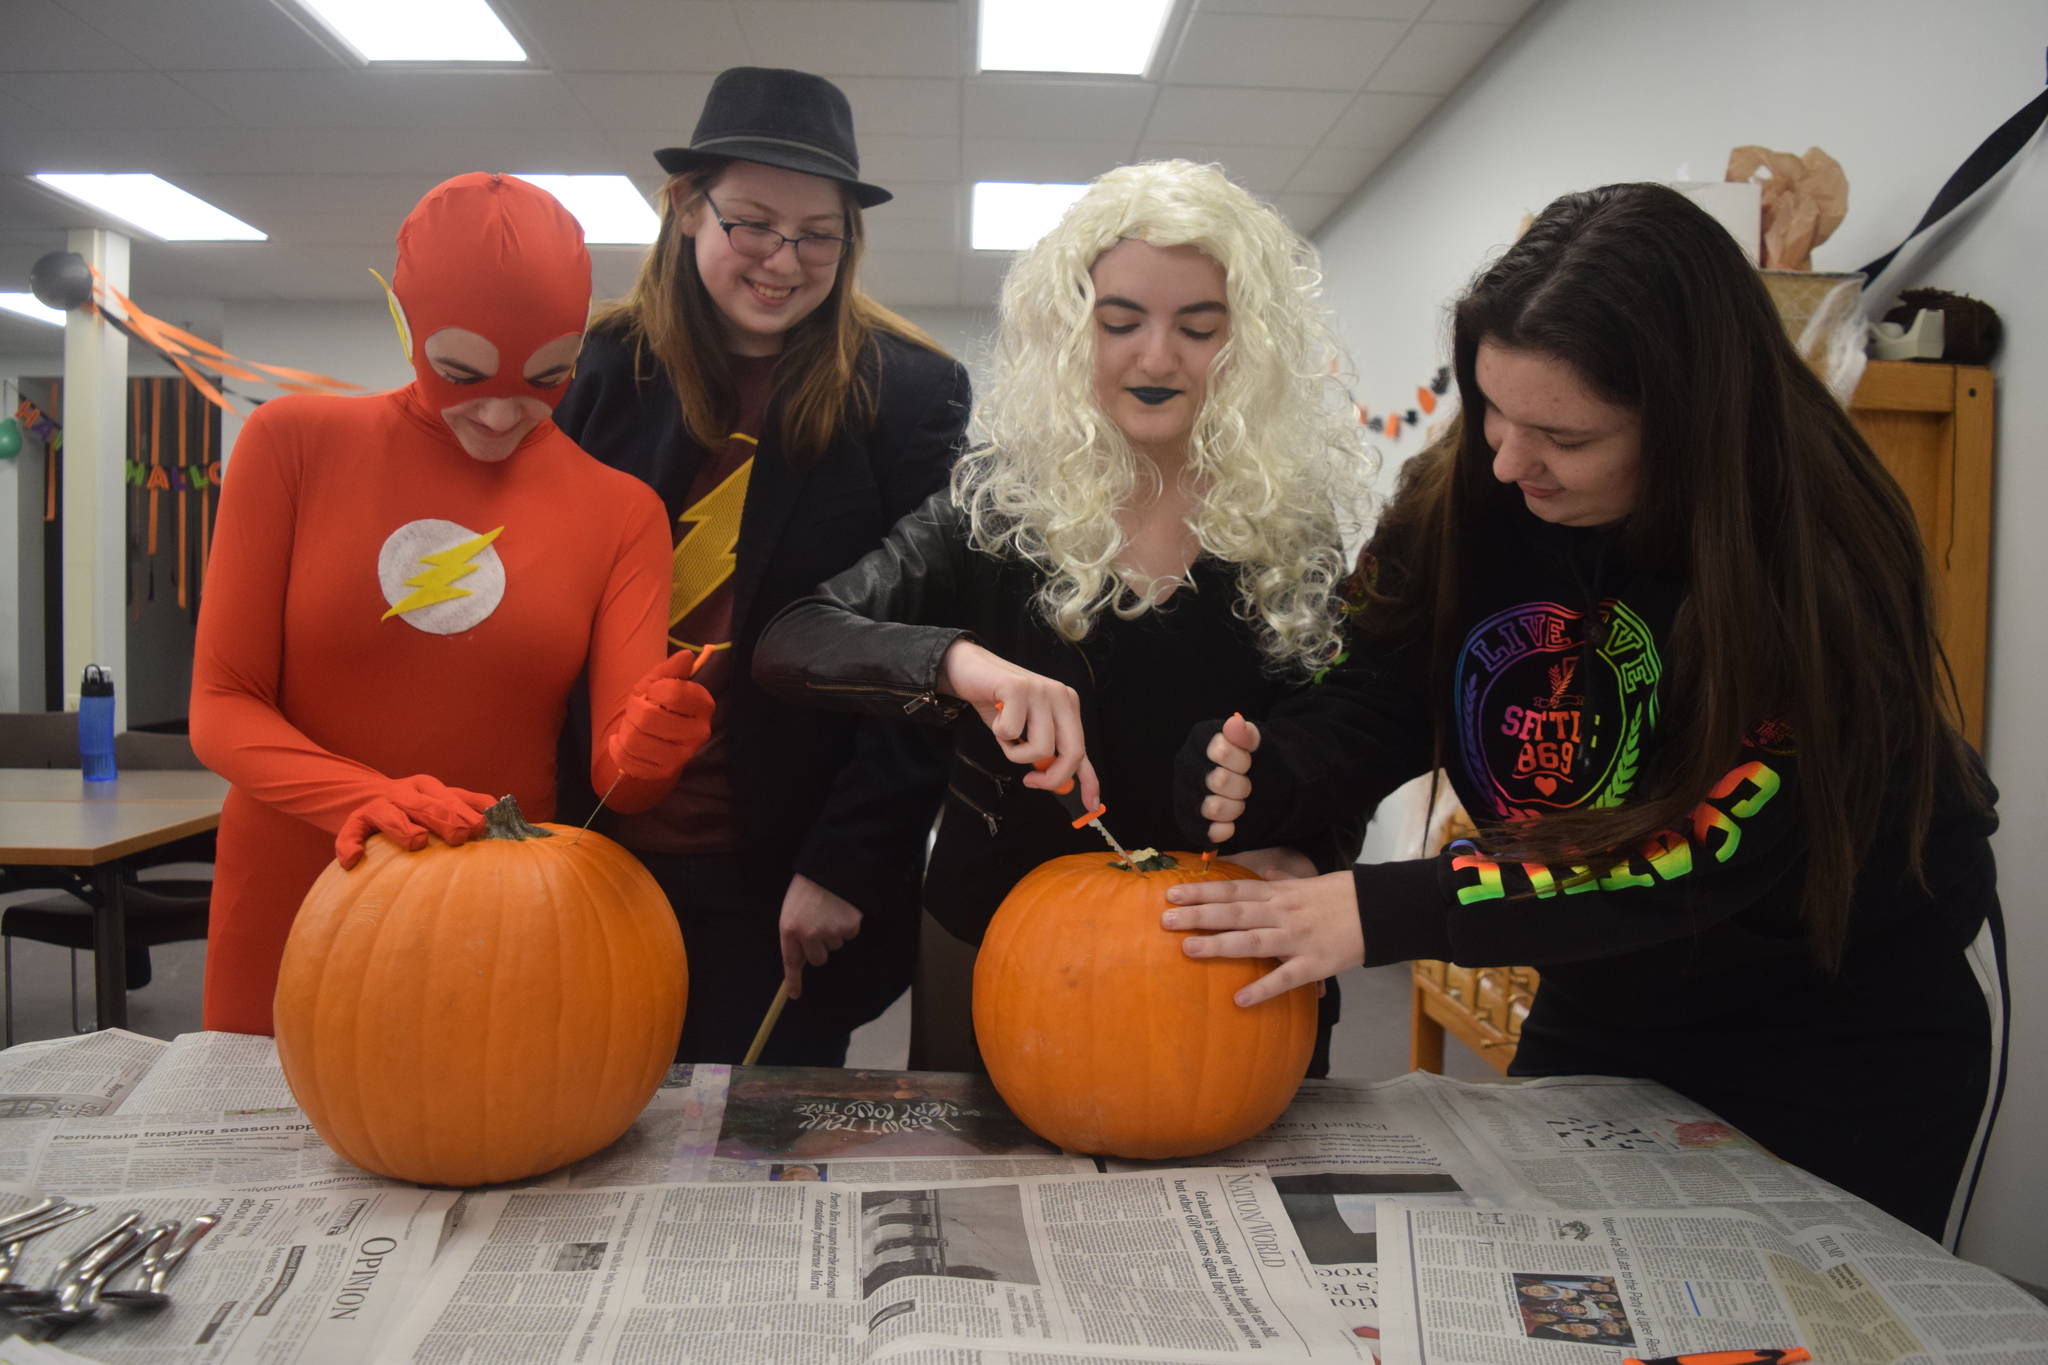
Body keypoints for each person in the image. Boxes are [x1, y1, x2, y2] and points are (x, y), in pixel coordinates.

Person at [1164, 182, 2003, 1244]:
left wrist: (1379, 909)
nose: (1511, 462)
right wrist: (1272, 774)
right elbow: (1380, 687)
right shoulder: (1473, 487)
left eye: (1561, 434)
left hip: (1829, 1035)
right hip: (1605, 992)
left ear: (1688, 420)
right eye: (1491, 412)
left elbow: (1697, 848)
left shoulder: (1816, 558)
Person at [752, 159, 1375, 1071]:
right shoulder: (999, 506)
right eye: (1120, 322)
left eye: (1198, 328)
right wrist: (964, 665)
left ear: (1248, 343)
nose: (1155, 357)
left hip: (1224, 951)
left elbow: (1349, 728)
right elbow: (793, 637)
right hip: (1003, 936)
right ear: (1070, 326)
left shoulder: (1291, 525)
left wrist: (1312, 848)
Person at [191, 172, 713, 1035]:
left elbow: (617, 784)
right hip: (292, 892)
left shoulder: (621, 512)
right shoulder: (291, 446)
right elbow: (221, 704)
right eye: (460, 372)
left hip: (492, 918)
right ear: (404, 324)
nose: (504, 412)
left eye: (549, 377)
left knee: (483, 1110)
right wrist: (362, 796)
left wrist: (653, 746)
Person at [552, 67, 972, 1066]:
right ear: (687, 210)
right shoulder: (596, 369)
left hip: (784, 859)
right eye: (751, 223)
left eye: (817, 233)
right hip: (591, 846)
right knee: (578, 1113)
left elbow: (922, 662)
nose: (784, 259)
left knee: (754, 1157)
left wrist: (847, 862)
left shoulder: (910, 395)